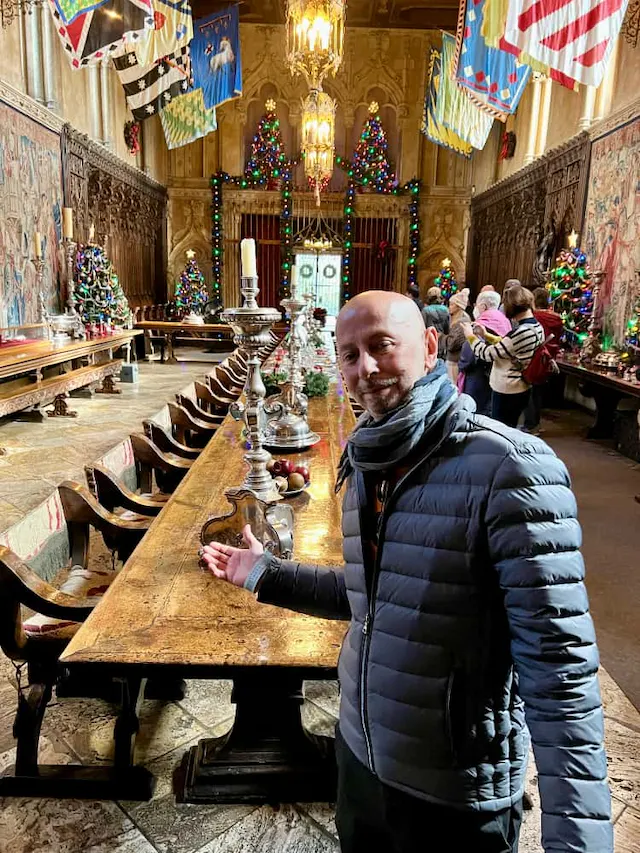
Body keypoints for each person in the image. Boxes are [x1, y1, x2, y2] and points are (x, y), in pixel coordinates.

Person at [201, 291, 612, 853]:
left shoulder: (512, 468)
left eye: (381, 346)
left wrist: (579, 839)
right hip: (362, 763)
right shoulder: (369, 460)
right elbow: (378, 599)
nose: (364, 369)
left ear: (430, 347)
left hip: (453, 796)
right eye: (349, 354)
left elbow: (560, 672)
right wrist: (267, 575)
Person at [461, 285, 544, 428]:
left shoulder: (521, 332)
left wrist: (470, 336)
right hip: (521, 386)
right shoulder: (536, 326)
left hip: (508, 389)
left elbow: (487, 354)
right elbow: (509, 347)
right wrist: (486, 335)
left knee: (501, 429)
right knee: (509, 426)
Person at [458, 290, 512, 415]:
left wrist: (462, 365)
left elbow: (469, 354)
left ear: (483, 306)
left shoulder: (480, 324)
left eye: (476, 304)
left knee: (474, 413)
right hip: (499, 375)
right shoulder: (505, 321)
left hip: (478, 376)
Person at [522, 287, 565, 434]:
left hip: (534, 356)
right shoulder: (557, 318)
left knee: (530, 391)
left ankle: (530, 424)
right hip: (548, 358)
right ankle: (536, 422)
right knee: (538, 392)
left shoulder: (535, 317)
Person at [444, 287, 470, 383]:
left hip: (455, 361)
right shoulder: (454, 319)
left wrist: (441, 338)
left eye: (451, 305)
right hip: (452, 359)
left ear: (458, 306)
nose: (449, 307)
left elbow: (452, 344)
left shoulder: (462, 321)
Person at [421, 285, 449, 357]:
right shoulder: (445, 310)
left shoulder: (426, 310)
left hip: (430, 339)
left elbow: (422, 327)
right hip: (442, 340)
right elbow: (447, 328)